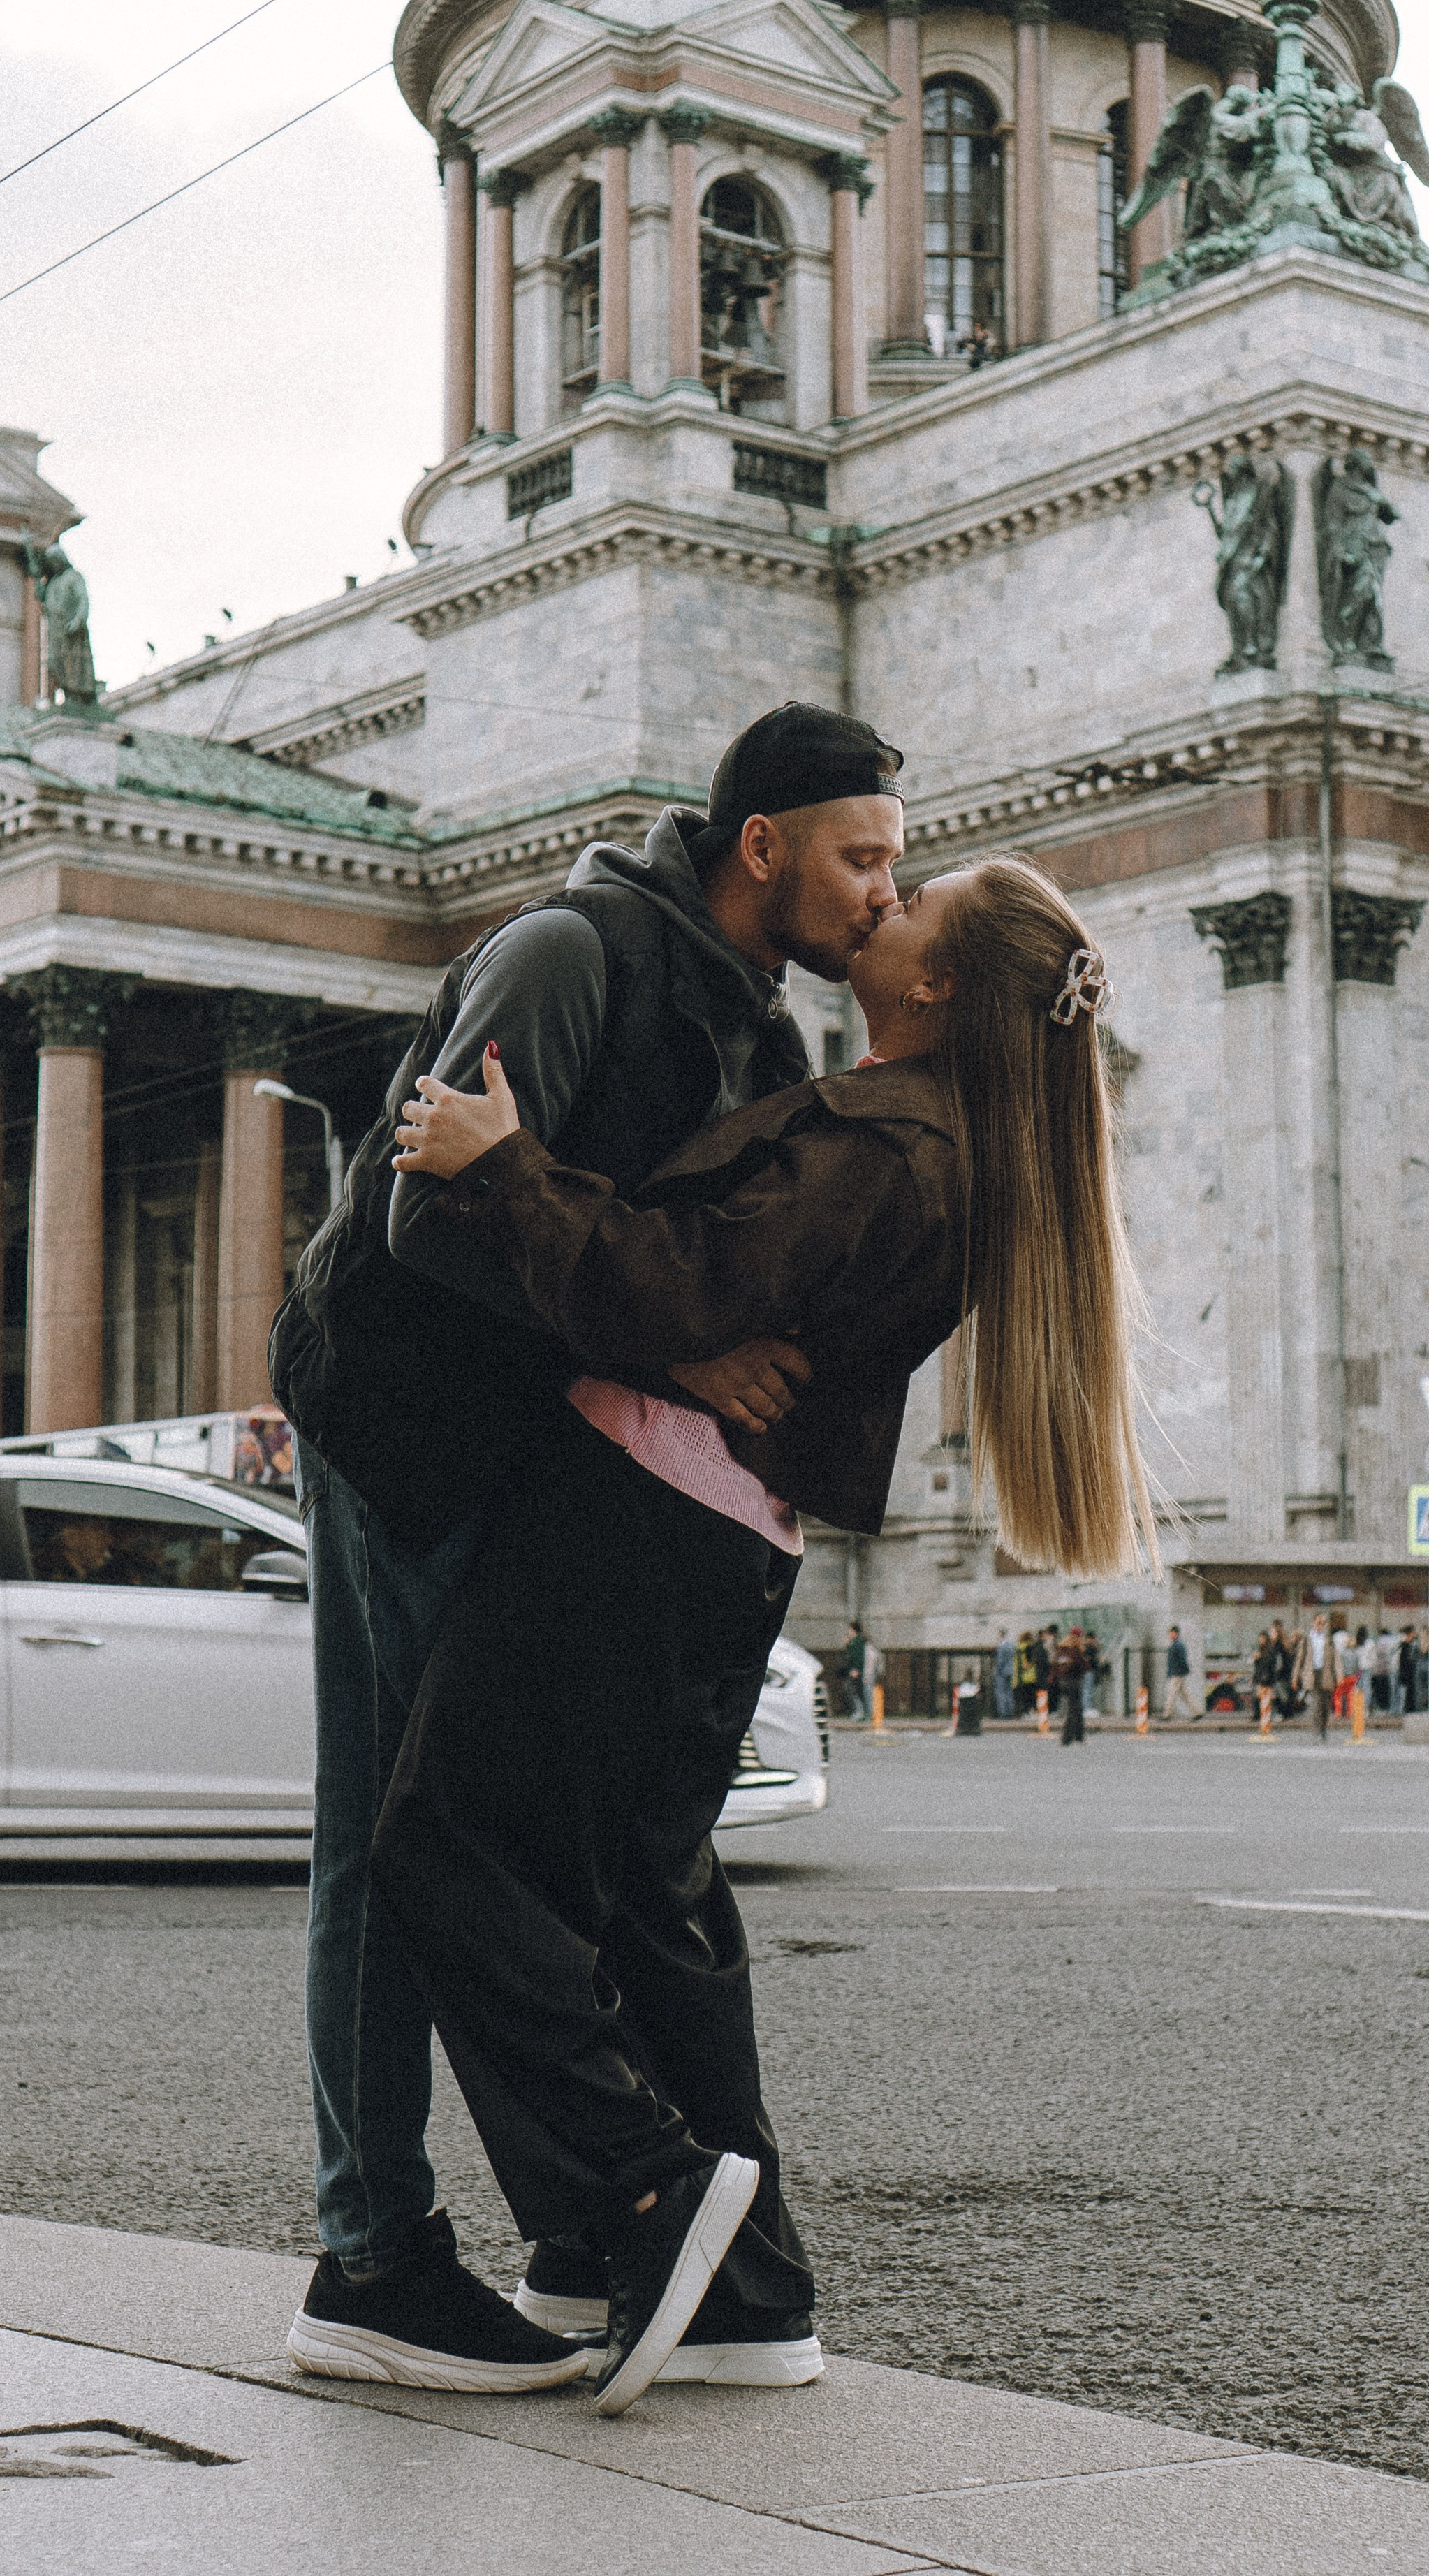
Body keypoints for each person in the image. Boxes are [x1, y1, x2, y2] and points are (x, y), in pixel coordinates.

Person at [378, 851, 1157, 2413]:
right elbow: (718, 1299)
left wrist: (493, 1160)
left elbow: (676, 1281)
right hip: (712, 1534)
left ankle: (650, 2197)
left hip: (636, 1523)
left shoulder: (888, 1140)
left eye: (906, 897)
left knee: (442, 1854)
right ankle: (743, 2293)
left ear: (933, 987)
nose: (881, 903)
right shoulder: (937, 1136)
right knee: (645, 1908)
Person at [268, 701, 906, 2392]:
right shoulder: (566, 953)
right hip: (402, 1428)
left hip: (531, 1452)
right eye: (861, 855)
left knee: (498, 1839)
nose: (879, 894)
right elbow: (428, 1210)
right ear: (759, 844)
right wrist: (674, 1358)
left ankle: (577, 2239)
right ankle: (373, 2254)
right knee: (393, 1842)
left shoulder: (754, 1020)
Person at [1293, 1613, 1332, 1739]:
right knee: (1316, 1702)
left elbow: (1335, 1658)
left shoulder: (1328, 1639)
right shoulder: (1307, 1639)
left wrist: (1340, 1675)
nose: (1321, 1626)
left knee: (1325, 1703)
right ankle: (1316, 1730)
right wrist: (1295, 1677)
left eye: (1323, 1623)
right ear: (1314, 1623)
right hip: (1312, 1673)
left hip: (1325, 1673)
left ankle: (1324, 1727)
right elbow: (1300, 1659)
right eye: (1319, 1623)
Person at [1053, 1627, 1090, 1746]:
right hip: (1073, 1681)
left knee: (1077, 1709)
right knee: (1074, 1709)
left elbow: (1055, 1665)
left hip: (1062, 1681)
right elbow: (1083, 1666)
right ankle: (1067, 1738)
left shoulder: (1061, 1649)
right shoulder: (1075, 1650)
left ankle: (1079, 1736)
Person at [1161, 1625, 1197, 1722]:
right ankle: (1197, 1712)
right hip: (1178, 1673)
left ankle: (1167, 1715)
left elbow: (1182, 1659)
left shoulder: (1178, 1645)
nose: (1170, 1635)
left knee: (1171, 1694)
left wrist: (1183, 1670)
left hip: (1177, 1673)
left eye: (1171, 1633)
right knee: (1185, 1695)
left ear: (1175, 1633)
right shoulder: (1177, 1644)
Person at [837, 1618, 870, 1723]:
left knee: (853, 1690)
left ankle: (861, 1712)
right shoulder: (856, 1641)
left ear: (853, 1629)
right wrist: (848, 1644)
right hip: (854, 1669)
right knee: (855, 1691)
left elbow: (858, 1656)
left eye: (850, 1629)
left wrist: (856, 1669)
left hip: (856, 1670)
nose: (849, 1632)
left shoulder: (858, 1641)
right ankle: (861, 1712)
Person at [1012, 1630, 1039, 1718]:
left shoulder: (1018, 1647)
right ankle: (1031, 1713)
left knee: (1023, 1696)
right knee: (1031, 1697)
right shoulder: (1029, 1647)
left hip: (1019, 1677)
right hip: (1030, 1676)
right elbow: (1030, 1661)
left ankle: (1024, 1713)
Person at [991, 1627, 1016, 1722]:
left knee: (1001, 1692)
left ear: (1001, 1634)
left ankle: (1003, 1713)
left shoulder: (1001, 1646)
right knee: (1009, 1692)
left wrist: (996, 1671)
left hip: (1001, 1672)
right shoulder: (1011, 1645)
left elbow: (1000, 1661)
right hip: (1010, 1670)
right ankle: (1010, 1711)